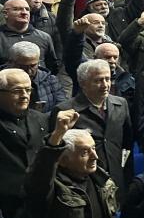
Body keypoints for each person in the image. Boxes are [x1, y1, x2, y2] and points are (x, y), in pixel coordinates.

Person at [25, 108, 118, 218]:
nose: (95, 156)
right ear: (63, 160)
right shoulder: (50, 187)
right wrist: (57, 135)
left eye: (94, 148)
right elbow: (40, 175)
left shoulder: (101, 181)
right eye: (84, 152)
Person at [52, 59, 133, 200]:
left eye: (107, 79)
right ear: (83, 83)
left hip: (116, 176)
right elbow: (58, 152)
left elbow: (127, 144)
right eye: (98, 80)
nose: (105, 85)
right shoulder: (65, 111)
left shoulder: (121, 103)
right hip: (84, 182)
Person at [0, 68, 48, 218]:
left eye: (28, 89)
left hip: (39, 203)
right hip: (6, 207)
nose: (25, 95)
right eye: (17, 91)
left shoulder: (40, 119)